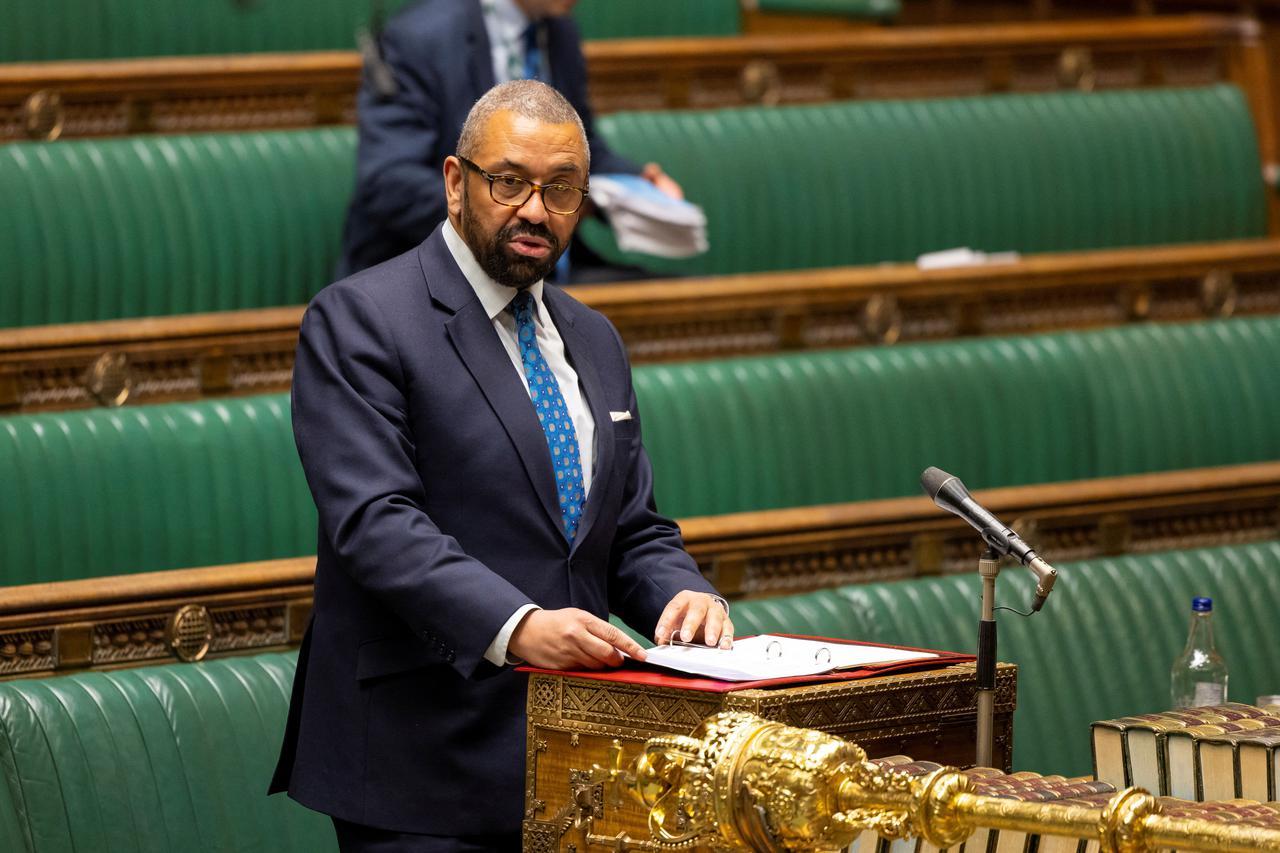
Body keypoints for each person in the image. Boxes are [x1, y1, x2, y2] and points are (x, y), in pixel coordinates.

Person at [270, 79, 730, 852]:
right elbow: (376, 524)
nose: (534, 210)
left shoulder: (593, 337)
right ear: (456, 183)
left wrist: (680, 595)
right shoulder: (361, 320)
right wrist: (515, 627)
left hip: (576, 758)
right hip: (420, 762)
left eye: (560, 189)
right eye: (509, 181)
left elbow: (630, 526)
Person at [340, 0, 682, 278]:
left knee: (675, 304)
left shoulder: (558, 29)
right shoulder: (420, 36)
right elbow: (388, 182)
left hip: (547, 267)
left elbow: (581, 143)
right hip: (429, 271)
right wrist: (510, 209)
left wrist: (637, 183)